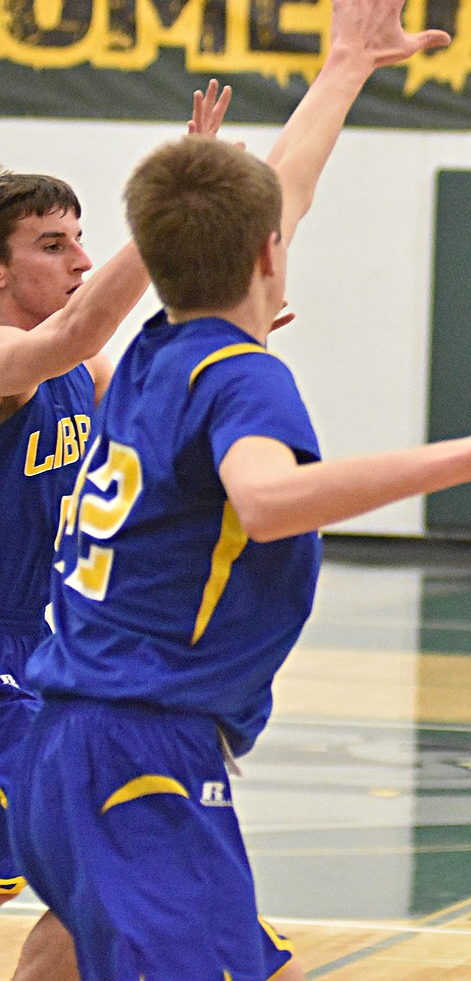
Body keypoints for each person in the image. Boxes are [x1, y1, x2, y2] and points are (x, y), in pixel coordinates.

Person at [7, 0, 471, 981]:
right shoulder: (236, 376)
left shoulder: (145, 355)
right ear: (270, 257)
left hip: (71, 733)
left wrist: (345, 69)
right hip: (137, 745)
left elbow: (281, 191)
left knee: (68, 949)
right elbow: (271, 502)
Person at [0, 80, 237, 980]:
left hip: (44, 651)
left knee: (92, 881)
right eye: (52, 244)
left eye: (81, 238)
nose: (79, 258)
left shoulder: (85, 372)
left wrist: (229, 340)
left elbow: (157, 402)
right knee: (102, 859)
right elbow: (75, 330)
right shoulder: (13, 359)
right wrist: (173, 199)